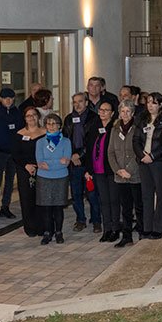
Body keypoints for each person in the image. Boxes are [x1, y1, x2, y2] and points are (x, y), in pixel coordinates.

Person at [135, 92, 162, 240]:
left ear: (161, 104)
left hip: (159, 161)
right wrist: (142, 155)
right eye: (148, 102)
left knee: (161, 194)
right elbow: (136, 140)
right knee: (146, 195)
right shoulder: (142, 119)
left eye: (154, 103)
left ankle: (160, 228)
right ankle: (147, 227)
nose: (150, 105)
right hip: (144, 160)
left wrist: (153, 156)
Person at [107, 100, 143, 247]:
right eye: (123, 111)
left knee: (139, 206)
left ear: (133, 113)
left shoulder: (138, 128)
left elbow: (139, 152)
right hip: (120, 176)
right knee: (125, 208)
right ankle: (127, 236)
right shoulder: (114, 129)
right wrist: (118, 170)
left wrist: (129, 170)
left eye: (128, 111)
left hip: (134, 175)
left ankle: (142, 232)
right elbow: (110, 152)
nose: (125, 114)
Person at [64, 92, 101, 233]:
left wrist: (79, 155)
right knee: (76, 194)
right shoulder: (68, 119)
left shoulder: (94, 118)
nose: (77, 104)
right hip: (73, 163)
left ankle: (96, 221)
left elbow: (93, 141)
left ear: (86, 102)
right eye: (74, 102)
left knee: (92, 194)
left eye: (80, 101)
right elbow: (65, 140)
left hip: (89, 162)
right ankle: (80, 219)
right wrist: (72, 156)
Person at [35, 113, 72, 245]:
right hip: (44, 178)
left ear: (59, 126)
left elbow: (66, 161)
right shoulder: (40, 142)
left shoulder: (66, 142)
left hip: (60, 177)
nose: (51, 126)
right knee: (46, 208)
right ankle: (47, 232)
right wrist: (58, 162)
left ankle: (58, 232)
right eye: (48, 123)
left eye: (54, 123)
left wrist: (49, 163)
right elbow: (40, 162)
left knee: (58, 207)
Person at [85, 101, 118, 242]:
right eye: (101, 110)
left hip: (111, 169)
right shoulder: (94, 126)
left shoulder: (115, 128)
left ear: (112, 113)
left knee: (114, 200)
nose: (103, 112)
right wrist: (88, 170)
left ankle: (116, 229)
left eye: (106, 110)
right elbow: (89, 149)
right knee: (103, 201)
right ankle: (107, 229)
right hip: (97, 170)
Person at [12, 106, 46, 238]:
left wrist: (39, 165)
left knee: (41, 198)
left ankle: (42, 226)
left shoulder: (45, 132)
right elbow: (15, 154)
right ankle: (30, 227)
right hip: (24, 170)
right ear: (25, 118)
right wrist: (26, 165)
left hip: (42, 170)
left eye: (33, 115)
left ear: (38, 117)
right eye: (28, 115)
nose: (31, 118)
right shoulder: (19, 134)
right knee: (27, 199)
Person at [0, 88, 21, 221]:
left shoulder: (18, 113)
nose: (8, 100)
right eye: (5, 98)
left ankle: (5, 208)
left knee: (9, 182)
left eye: (10, 98)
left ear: (14, 98)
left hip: (13, 153)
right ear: (0, 99)